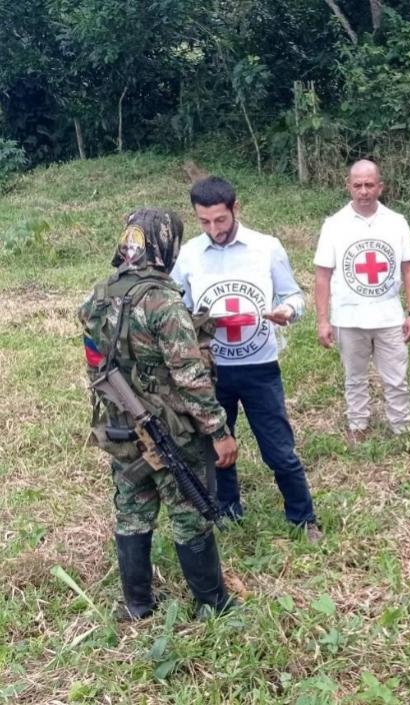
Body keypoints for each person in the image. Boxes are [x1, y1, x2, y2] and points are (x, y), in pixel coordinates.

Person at [80, 208, 238, 619]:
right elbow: (190, 375)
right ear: (164, 246)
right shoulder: (162, 300)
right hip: (171, 428)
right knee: (190, 512)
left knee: (132, 512)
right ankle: (211, 604)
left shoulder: (98, 295)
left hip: (119, 424)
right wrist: (219, 430)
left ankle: (136, 605)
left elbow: (95, 363)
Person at [170, 177, 321, 541]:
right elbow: (176, 304)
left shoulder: (266, 248)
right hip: (210, 370)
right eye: (204, 221)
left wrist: (287, 310)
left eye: (220, 220)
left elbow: (295, 295)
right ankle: (227, 513)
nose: (213, 229)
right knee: (218, 449)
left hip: (259, 367)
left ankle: (303, 519)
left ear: (236, 209)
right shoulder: (189, 254)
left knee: (279, 450)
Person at [314, 160, 410, 441]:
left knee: (396, 377)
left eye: (369, 185)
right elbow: (322, 276)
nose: (363, 191)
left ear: (380, 187)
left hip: (388, 316)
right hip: (348, 318)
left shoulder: (396, 222)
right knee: (355, 377)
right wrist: (323, 320)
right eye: (358, 185)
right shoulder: (334, 225)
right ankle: (358, 426)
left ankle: (401, 428)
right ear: (348, 186)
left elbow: (409, 268)